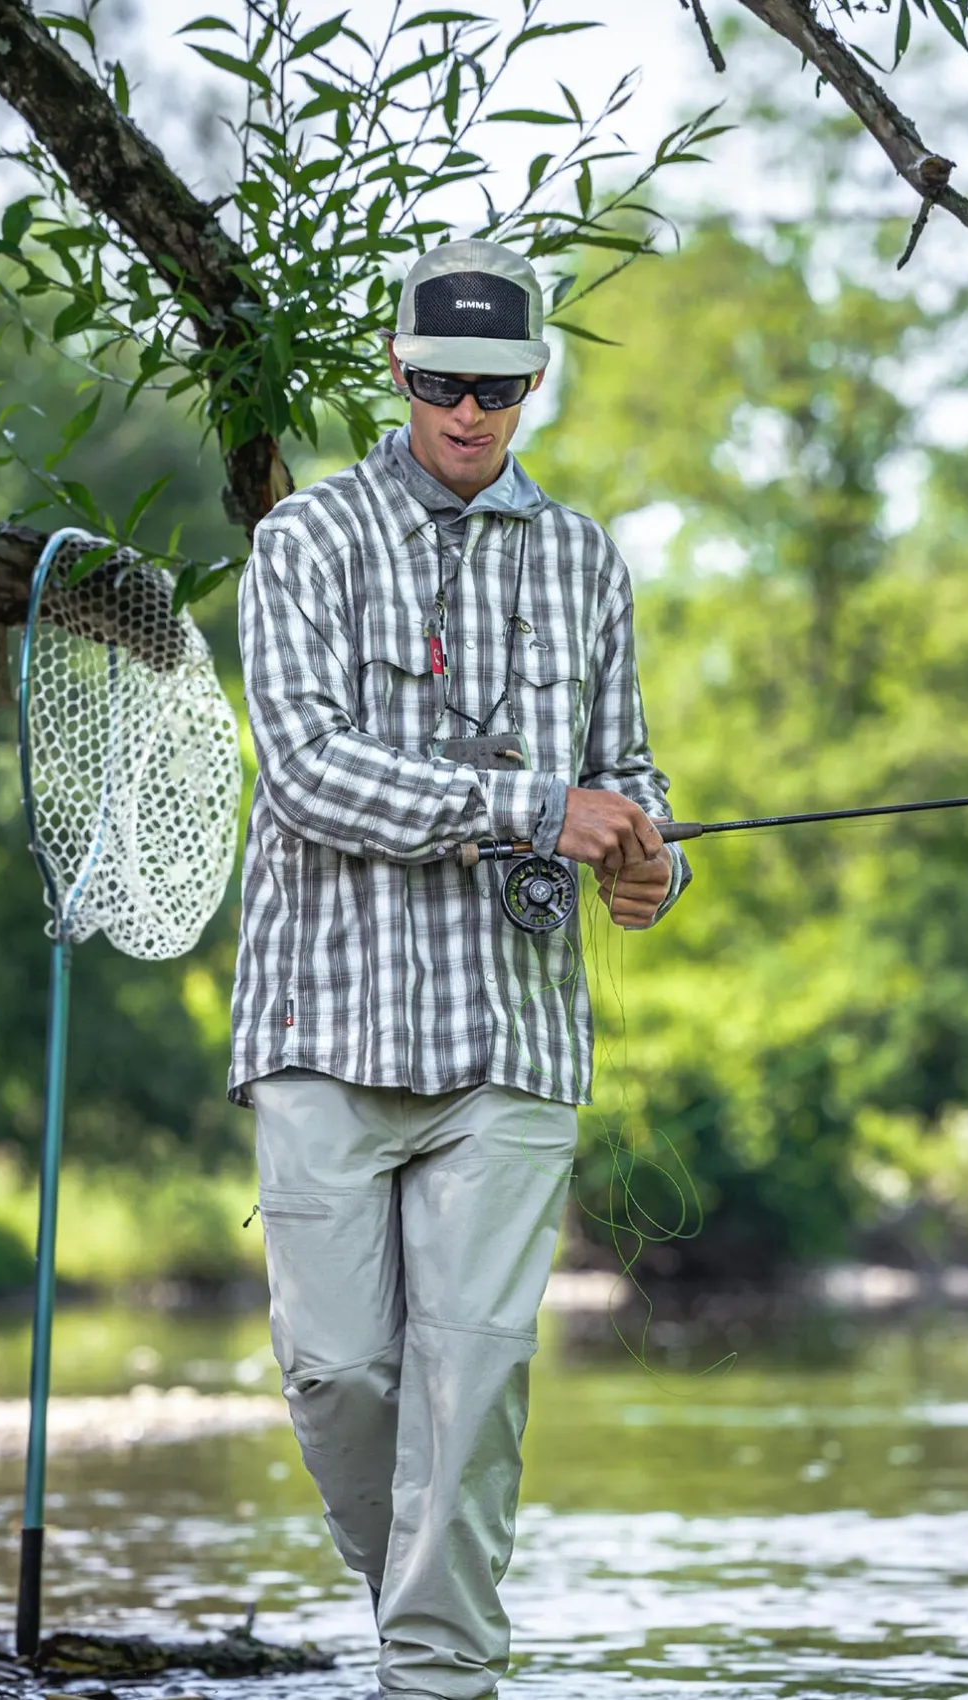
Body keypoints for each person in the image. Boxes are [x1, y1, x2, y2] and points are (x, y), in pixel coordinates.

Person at [229, 239, 690, 1699]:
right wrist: (526, 809)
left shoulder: (587, 558)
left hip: (513, 1036)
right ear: (397, 368)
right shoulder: (303, 543)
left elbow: (626, 771)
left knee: (473, 1383)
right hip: (324, 1023)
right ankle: (427, 1621)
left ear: (533, 382)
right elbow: (304, 772)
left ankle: (440, 1678)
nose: (469, 412)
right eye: (442, 382)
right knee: (342, 1378)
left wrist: (650, 853)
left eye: (497, 386)